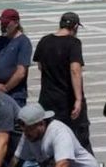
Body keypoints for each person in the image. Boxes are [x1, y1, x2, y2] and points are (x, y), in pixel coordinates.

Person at [34, 12, 92, 153]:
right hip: (67, 102)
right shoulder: (73, 43)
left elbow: (40, 66)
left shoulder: (44, 41)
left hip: (47, 100)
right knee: (79, 139)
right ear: (75, 27)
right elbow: (75, 70)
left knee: (51, 138)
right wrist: (78, 99)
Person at [0, 8, 33, 107]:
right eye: (2, 23)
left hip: (15, 96)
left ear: (16, 23)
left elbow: (21, 72)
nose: (3, 26)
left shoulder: (23, 42)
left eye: (6, 23)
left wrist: (5, 88)